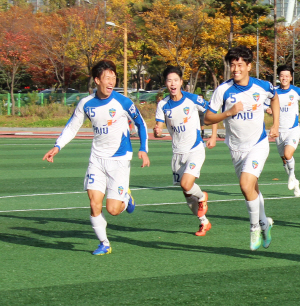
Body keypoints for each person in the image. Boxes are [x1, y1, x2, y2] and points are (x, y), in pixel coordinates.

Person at [42, 59, 150, 255]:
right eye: (107, 78)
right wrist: (57, 146)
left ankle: (126, 196)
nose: (111, 81)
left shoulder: (123, 102)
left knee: (114, 210)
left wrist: (144, 148)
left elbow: (141, 123)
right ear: (97, 80)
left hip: (119, 159)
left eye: (113, 77)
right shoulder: (86, 104)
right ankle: (104, 243)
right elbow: (72, 127)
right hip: (97, 159)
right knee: (94, 203)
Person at [205, 46, 279, 251]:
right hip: (236, 148)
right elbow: (208, 117)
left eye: (240, 65)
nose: (235, 69)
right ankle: (265, 223)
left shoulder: (262, 86)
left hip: (258, 144)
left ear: (248, 66)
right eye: (232, 65)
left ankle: (254, 227)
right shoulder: (223, 90)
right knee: (252, 189)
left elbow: (275, 97)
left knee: (246, 185)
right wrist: (228, 113)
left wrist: (275, 125)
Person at [153, 66, 218, 236]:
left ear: (181, 82)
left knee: (186, 184)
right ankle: (204, 222)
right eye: (169, 80)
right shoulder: (163, 105)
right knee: (187, 194)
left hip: (195, 149)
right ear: (166, 83)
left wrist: (213, 135)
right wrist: (157, 131)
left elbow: (212, 113)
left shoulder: (193, 99)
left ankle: (203, 196)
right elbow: (159, 126)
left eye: (176, 80)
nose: (172, 84)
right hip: (177, 153)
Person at [265, 65, 300, 197]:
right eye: (282, 76)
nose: (284, 78)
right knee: (284, 160)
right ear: (279, 77)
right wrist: (267, 110)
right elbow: (264, 104)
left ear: (291, 77)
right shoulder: (273, 91)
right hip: (278, 132)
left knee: (288, 154)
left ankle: (291, 176)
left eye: (287, 76)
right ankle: (295, 181)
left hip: (292, 129)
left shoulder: (296, 91)